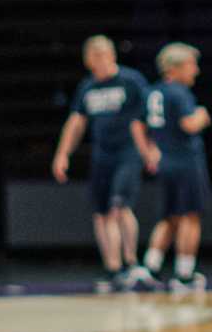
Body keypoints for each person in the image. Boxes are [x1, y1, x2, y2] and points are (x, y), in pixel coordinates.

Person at [50, 35, 158, 292]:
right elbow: (76, 122)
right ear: (88, 61)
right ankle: (113, 267)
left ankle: (131, 263)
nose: (98, 62)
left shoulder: (131, 81)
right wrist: (63, 153)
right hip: (102, 155)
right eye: (93, 58)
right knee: (101, 212)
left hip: (127, 152)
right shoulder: (88, 87)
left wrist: (151, 148)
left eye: (102, 56)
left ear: (111, 55)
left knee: (119, 207)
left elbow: (149, 116)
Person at [141, 43, 211, 291]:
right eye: (191, 65)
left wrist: (148, 152)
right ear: (175, 68)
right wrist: (202, 116)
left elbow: (139, 125)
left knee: (168, 217)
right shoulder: (179, 93)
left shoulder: (153, 92)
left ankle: (150, 266)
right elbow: (189, 124)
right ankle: (184, 273)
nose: (196, 71)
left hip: (165, 161)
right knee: (191, 216)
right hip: (185, 160)